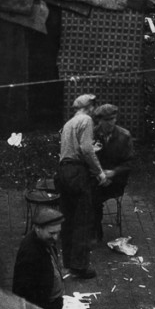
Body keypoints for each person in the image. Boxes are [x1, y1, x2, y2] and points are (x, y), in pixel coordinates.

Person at [55, 93, 109, 279]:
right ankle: (80, 266)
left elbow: (73, 149)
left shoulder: (69, 123)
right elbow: (85, 149)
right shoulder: (86, 120)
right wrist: (99, 171)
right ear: (90, 107)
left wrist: (89, 150)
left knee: (67, 218)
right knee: (83, 219)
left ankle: (68, 262)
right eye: (94, 106)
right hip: (78, 173)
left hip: (63, 172)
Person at [91, 103, 134, 241]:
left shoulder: (124, 136)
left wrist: (113, 173)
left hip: (116, 181)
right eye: (107, 120)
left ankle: (95, 231)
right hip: (96, 177)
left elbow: (129, 163)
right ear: (100, 120)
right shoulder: (92, 134)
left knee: (93, 196)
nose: (111, 123)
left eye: (113, 119)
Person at [12, 206, 65, 309]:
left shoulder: (45, 241)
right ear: (38, 228)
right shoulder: (30, 254)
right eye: (51, 233)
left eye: (57, 232)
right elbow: (24, 293)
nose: (55, 238)